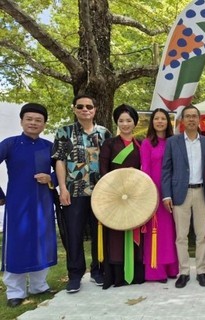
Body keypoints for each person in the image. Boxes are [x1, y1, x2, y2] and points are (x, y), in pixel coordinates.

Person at [52, 94, 112, 293]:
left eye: (89, 106)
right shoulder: (64, 132)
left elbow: (111, 163)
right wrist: (62, 188)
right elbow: (59, 160)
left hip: (100, 193)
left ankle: (98, 271)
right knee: (74, 234)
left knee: (99, 233)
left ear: (94, 110)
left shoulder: (104, 133)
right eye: (80, 106)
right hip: (74, 191)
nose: (85, 109)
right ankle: (75, 275)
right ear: (74, 109)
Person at [0, 103, 57, 307]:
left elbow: (61, 172)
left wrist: (50, 178)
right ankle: (15, 291)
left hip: (42, 203)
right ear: (22, 121)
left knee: (41, 243)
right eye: (29, 119)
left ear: (44, 124)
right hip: (17, 204)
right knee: (17, 245)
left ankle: (39, 286)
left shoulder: (49, 147)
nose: (33, 123)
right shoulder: (10, 144)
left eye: (38, 120)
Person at [162, 104, 205, 288]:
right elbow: (166, 169)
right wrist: (166, 195)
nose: (191, 119)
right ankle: (183, 272)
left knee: (202, 235)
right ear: (182, 120)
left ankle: (201, 271)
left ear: (199, 120)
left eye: (194, 116)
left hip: (202, 192)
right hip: (179, 193)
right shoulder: (172, 142)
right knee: (181, 236)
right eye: (188, 116)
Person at [99, 104, 144, 289]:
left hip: (135, 196)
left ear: (134, 123)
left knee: (134, 229)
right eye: (121, 121)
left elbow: (145, 169)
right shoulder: (110, 143)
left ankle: (135, 274)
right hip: (114, 196)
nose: (125, 124)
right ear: (116, 122)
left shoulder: (140, 143)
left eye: (128, 120)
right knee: (116, 233)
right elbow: (103, 170)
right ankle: (117, 275)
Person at [140, 108, 178, 282]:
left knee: (171, 231)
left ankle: (171, 268)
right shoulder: (147, 143)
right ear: (152, 122)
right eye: (157, 118)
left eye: (163, 118)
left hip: (171, 191)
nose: (160, 121)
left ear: (168, 122)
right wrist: (150, 192)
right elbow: (145, 168)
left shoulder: (174, 142)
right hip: (154, 190)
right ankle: (157, 270)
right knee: (156, 231)